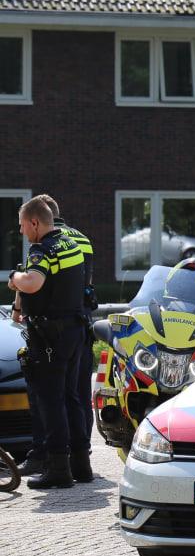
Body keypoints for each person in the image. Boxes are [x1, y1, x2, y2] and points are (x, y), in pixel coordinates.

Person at [7, 197, 87, 488]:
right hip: (75, 329)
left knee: (50, 401)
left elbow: (34, 283)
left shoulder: (42, 250)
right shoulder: (72, 245)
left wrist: (16, 278)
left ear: (35, 223)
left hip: (52, 336)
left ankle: (58, 470)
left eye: (22, 225)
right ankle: (82, 464)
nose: (21, 232)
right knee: (72, 397)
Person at [34, 194, 96, 473]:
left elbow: (43, 283)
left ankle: (51, 458)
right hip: (81, 322)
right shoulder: (80, 239)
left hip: (56, 325)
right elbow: (87, 279)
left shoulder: (47, 245)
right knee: (79, 393)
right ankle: (81, 458)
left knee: (50, 396)